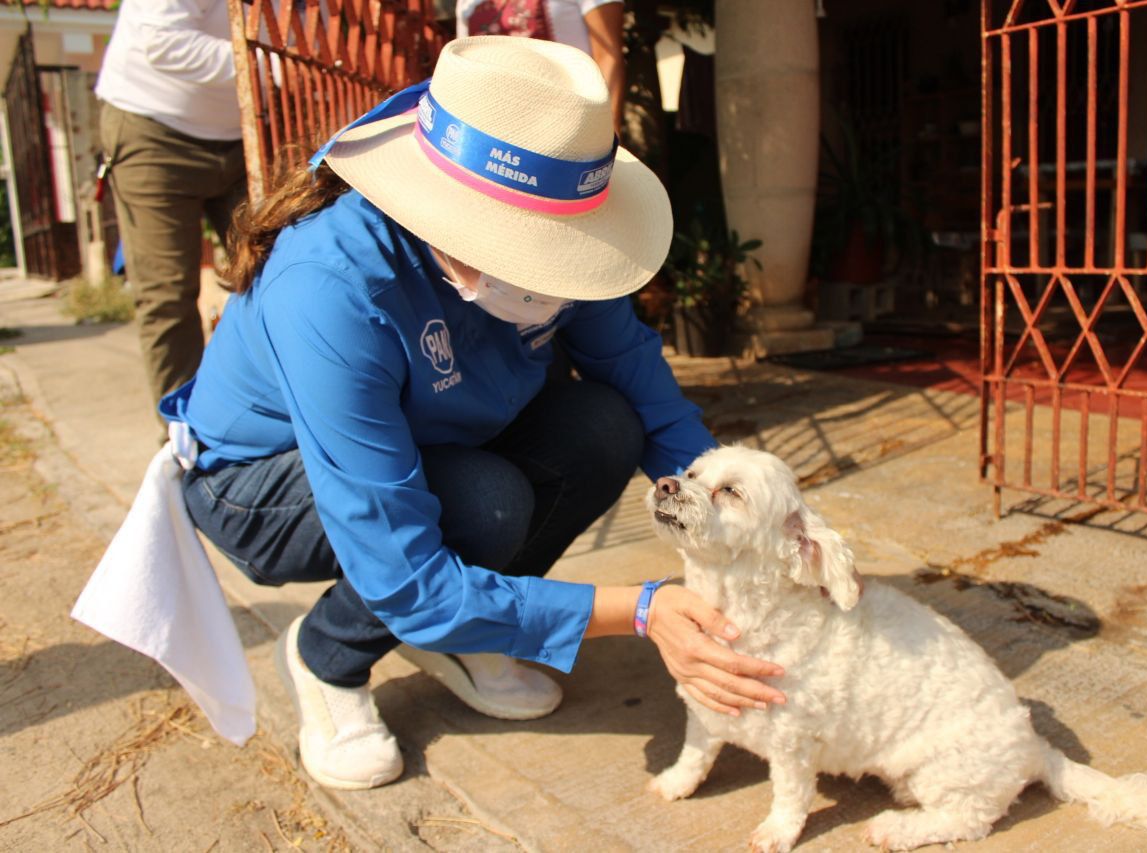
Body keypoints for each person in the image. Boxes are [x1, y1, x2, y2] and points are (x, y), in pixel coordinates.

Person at [160, 36, 785, 791]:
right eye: (534, 252)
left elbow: (636, 378)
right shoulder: (331, 287)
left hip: (433, 438)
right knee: (484, 503)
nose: (558, 279)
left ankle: (468, 630)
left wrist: (741, 508)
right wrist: (645, 610)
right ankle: (327, 656)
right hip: (257, 481)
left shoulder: (551, 233)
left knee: (606, 425)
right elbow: (406, 578)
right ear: (449, 218)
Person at [95, 0, 248, 419]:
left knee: (271, 273)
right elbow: (164, 41)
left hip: (245, 133)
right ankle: (184, 442)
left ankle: (259, 421)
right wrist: (272, 67)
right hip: (154, 128)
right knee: (167, 295)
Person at [456, 0, 626, 134]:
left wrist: (609, 140)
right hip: (488, 128)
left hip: (567, 126)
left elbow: (608, 57)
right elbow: (465, 63)